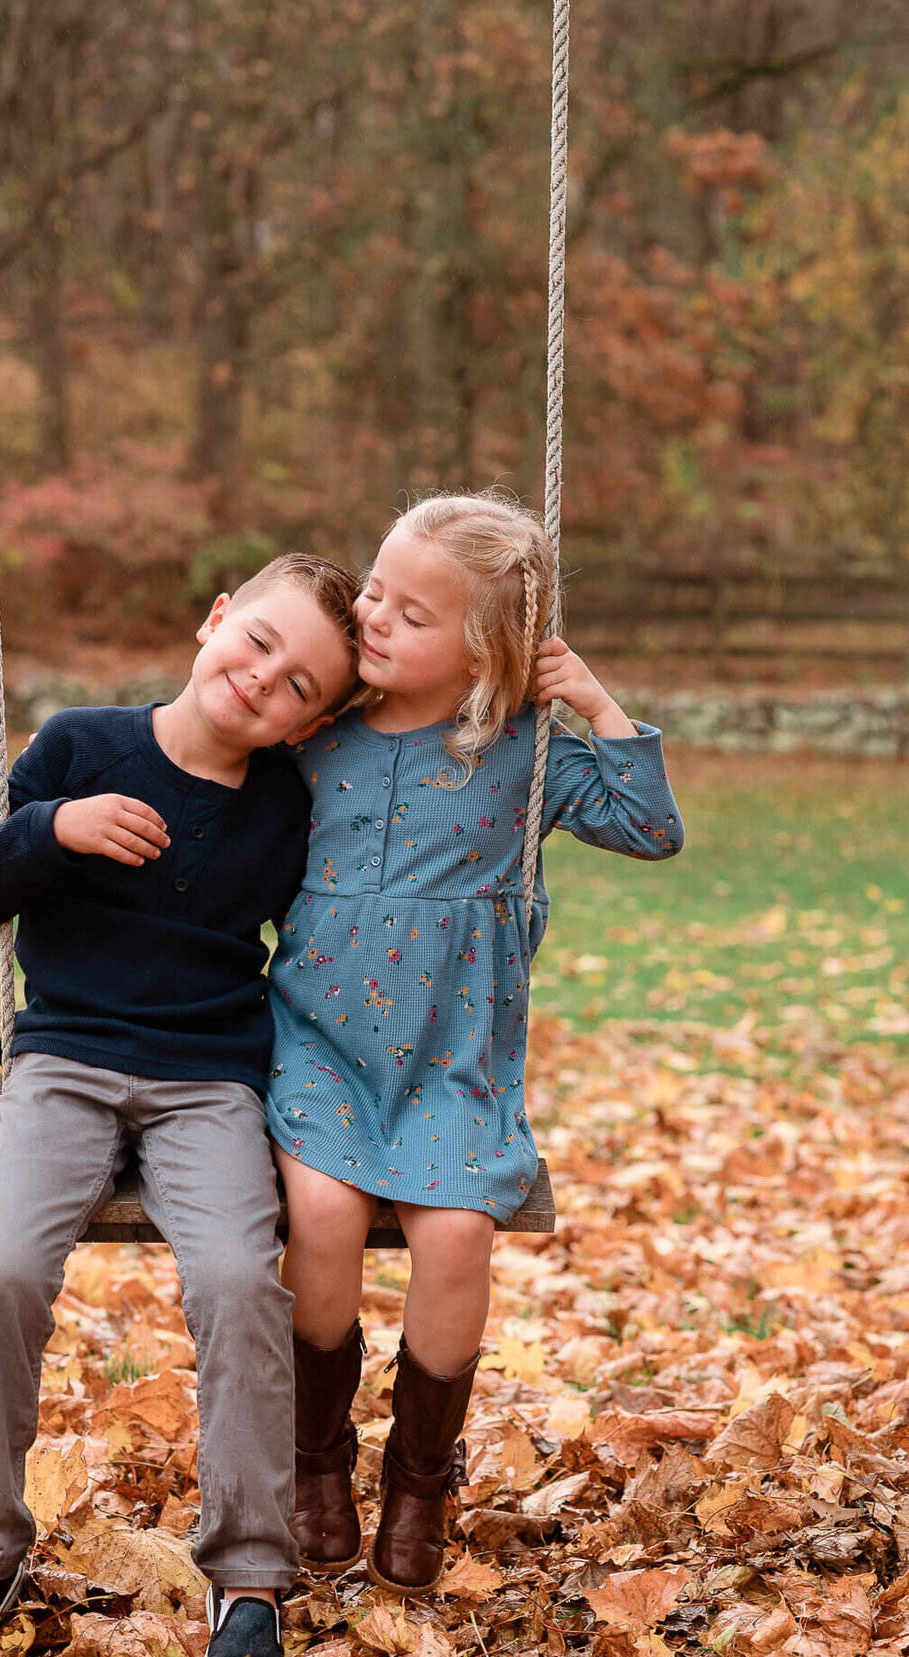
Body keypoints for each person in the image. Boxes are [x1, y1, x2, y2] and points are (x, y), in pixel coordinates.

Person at [0, 553, 360, 1657]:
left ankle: (249, 1576)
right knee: (0, 1265)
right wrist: (55, 827)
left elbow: (351, 928)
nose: (264, 680)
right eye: (258, 640)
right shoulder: (78, 745)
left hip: (210, 1079)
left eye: (301, 683)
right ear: (216, 619)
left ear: (313, 724)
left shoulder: (290, 810)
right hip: (62, 1060)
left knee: (242, 1282)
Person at [266, 493, 684, 1594]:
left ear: (488, 648)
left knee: (455, 1239)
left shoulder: (523, 754)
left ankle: (418, 1483)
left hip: (456, 1060)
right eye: (376, 591)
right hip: (321, 1043)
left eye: (412, 611)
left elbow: (652, 828)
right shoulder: (319, 736)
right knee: (317, 1216)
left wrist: (594, 701)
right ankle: (318, 1465)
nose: (375, 616)